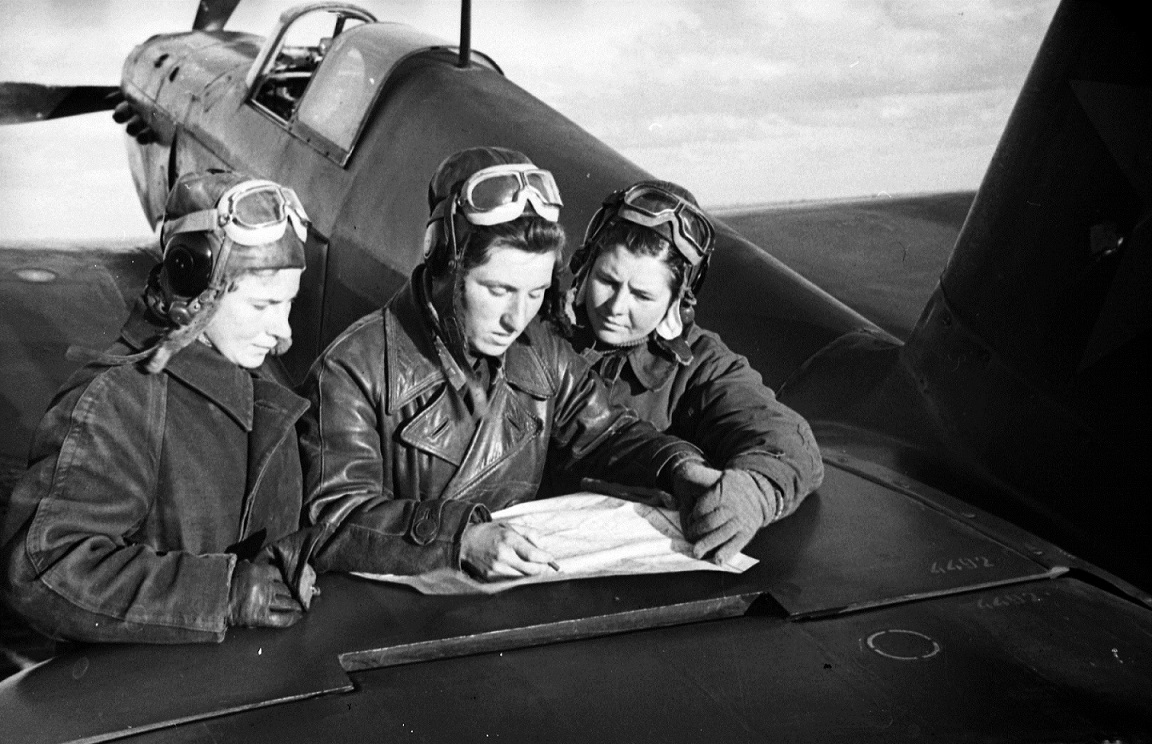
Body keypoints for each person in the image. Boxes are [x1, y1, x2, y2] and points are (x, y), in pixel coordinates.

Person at [285, 147, 728, 582]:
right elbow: (335, 518)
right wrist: (459, 539)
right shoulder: (352, 370)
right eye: (499, 290)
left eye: (535, 293)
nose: (517, 319)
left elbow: (606, 434)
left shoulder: (539, 351)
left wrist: (680, 469)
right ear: (446, 267)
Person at [0, 171, 316, 644]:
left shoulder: (248, 376)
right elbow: (42, 566)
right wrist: (219, 594)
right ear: (193, 286)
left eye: (288, 304)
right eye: (261, 306)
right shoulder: (120, 402)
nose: (283, 332)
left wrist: (290, 562)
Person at [559, 179, 824, 562]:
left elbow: (784, 436)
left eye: (642, 295)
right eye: (607, 281)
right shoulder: (539, 329)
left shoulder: (698, 362)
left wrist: (756, 490)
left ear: (677, 303)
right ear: (586, 268)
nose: (616, 307)